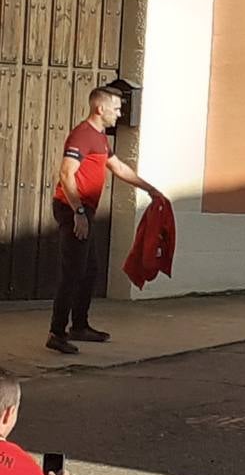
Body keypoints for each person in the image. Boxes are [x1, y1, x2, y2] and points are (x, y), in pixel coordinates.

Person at [47, 86, 163, 355]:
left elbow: (118, 167)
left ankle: (79, 326)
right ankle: (56, 332)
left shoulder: (99, 137)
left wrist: (149, 188)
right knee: (72, 271)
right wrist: (78, 213)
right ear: (100, 109)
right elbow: (66, 175)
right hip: (71, 209)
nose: (120, 113)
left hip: (84, 210)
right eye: (117, 108)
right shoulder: (82, 135)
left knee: (89, 270)